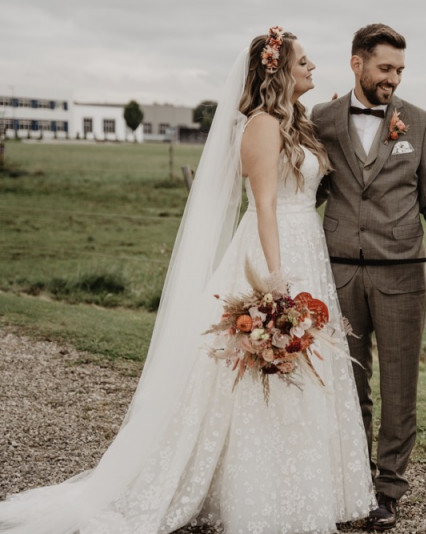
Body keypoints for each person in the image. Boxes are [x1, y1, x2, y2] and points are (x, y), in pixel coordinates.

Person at [0, 27, 374, 534]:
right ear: (277, 69)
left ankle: (307, 488)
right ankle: (262, 493)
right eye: (304, 61)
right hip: (278, 248)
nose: (312, 67)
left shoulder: (298, 122)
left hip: (308, 242)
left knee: (308, 373)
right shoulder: (262, 125)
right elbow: (264, 205)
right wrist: (276, 280)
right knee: (267, 367)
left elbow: (308, 186)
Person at [311, 23, 426, 531]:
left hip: (403, 276)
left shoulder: (421, 123)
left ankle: (388, 490)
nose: (394, 79)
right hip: (337, 276)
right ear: (356, 63)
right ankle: (353, 481)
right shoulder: (322, 119)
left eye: (400, 70)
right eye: (385, 68)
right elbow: (308, 189)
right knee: (349, 386)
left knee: (399, 388)